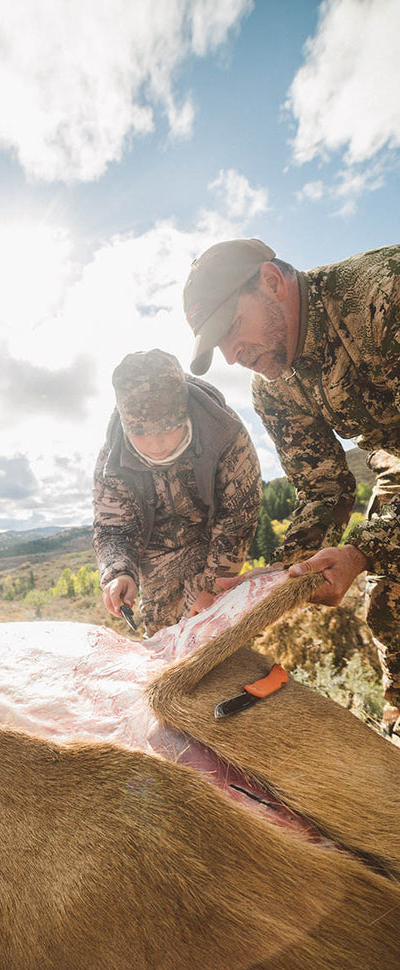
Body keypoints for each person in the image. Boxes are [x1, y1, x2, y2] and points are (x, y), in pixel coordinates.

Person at [183, 237, 400, 727]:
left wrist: (362, 551)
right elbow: (323, 488)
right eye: (221, 346)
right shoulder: (274, 386)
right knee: (391, 600)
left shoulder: (383, 296)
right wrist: (284, 574)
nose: (234, 356)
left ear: (273, 282)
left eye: (233, 329)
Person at [92, 348, 261, 635]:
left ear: (185, 416)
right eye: (141, 435)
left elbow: (238, 516)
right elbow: (113, 527)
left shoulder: (224, 433)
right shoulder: (113, 458)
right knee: (163, 646)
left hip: (213, 549)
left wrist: (214, 588)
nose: (156, 446)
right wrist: (119, 572)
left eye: (168, 430)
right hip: (155, 564)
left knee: (216, 637)